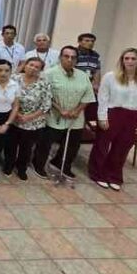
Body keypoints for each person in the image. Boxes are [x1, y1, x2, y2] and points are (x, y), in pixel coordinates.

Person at [89, 48, 137, 191]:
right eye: (126, 58)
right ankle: (97, 173)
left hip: (135, 116)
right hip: (113, 113)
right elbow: (103, 98)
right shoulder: (110, 77)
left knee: (122, 148)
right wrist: (102, 117)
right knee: (102, 145)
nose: (130, 61)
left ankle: (114, 175)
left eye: (133, 58)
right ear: (122, 60)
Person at [33, 45, 95, 180]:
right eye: (66, 56)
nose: (70, 60)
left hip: (76, 116)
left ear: (77, 60)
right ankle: (38, 165)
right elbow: (45, 95)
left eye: (73, 57)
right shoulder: (49, 73)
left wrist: (77, 110)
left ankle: (62, 164)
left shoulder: (83, 75)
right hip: (54, 114)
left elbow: (88, 95)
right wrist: (60, 109)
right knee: (45, 143)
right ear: (60, 57)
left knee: (73, 144)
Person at [3, 57, 51, 181]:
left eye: (37, 67)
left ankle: (22, 169)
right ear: (25, 65)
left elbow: (46, 105)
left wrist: (29, 117)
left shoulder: (44, 83)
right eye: (31, 65)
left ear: (40, 70)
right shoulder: (14, 79)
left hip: (33, 122)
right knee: (10, 145)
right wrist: (16, 113)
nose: (33, 68)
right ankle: (8, 165)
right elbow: (6, 96)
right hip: (13, 118)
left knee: (26, 148)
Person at [76, 33, 102, 125]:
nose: (90, 43)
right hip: (76, 85)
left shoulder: (95, 55)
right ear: (79, 42)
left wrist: (96, 84)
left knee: (88, 110)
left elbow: (97, 70)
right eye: (87, 41)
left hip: (88, 85)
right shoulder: (74, 54)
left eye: (92, 41)